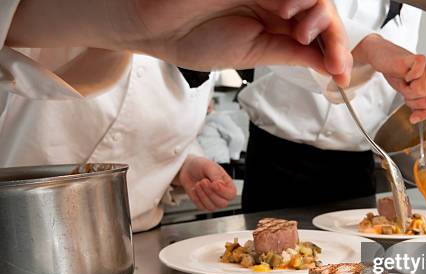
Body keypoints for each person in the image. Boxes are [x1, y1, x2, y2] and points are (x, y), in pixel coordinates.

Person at [0, 0, 353, 231]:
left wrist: (183, 163)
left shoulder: (221, 23)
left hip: (132, 239)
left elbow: (155, 105)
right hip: (21, 231)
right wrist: (122, 19)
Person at [239, 1, 426, 212]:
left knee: (358, 266)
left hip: (355, 170)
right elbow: (281, 22)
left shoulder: (411, 8)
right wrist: (371, 47)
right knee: (267, 264)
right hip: (279, 160)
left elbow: (381, 89)